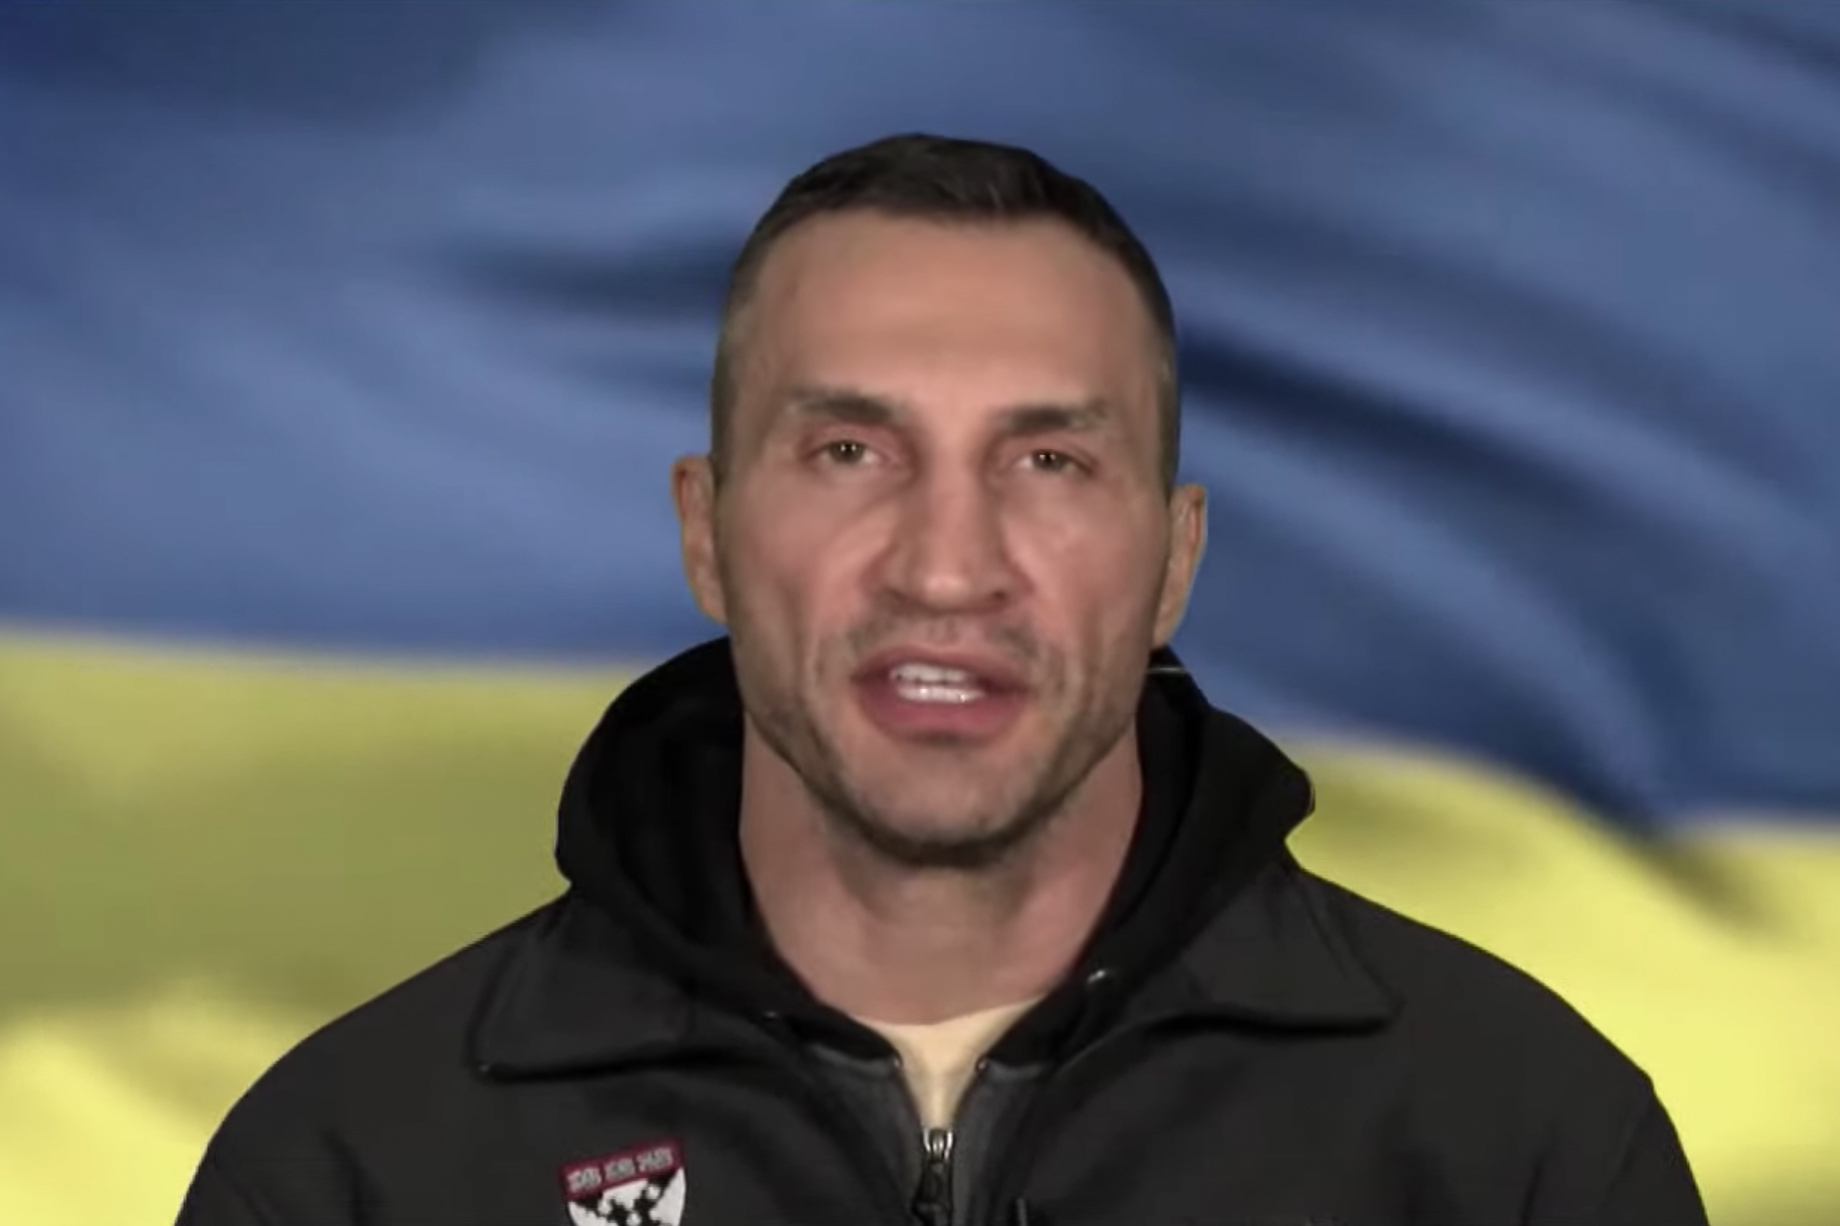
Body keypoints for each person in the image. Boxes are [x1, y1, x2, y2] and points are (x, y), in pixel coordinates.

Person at [177, 133, 1707, 1226]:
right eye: (851, 450)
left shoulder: (1522, 1147)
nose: (947, 566)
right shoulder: (353, 1170)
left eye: (1048, 461)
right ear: (707, 532)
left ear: (1174, 557)